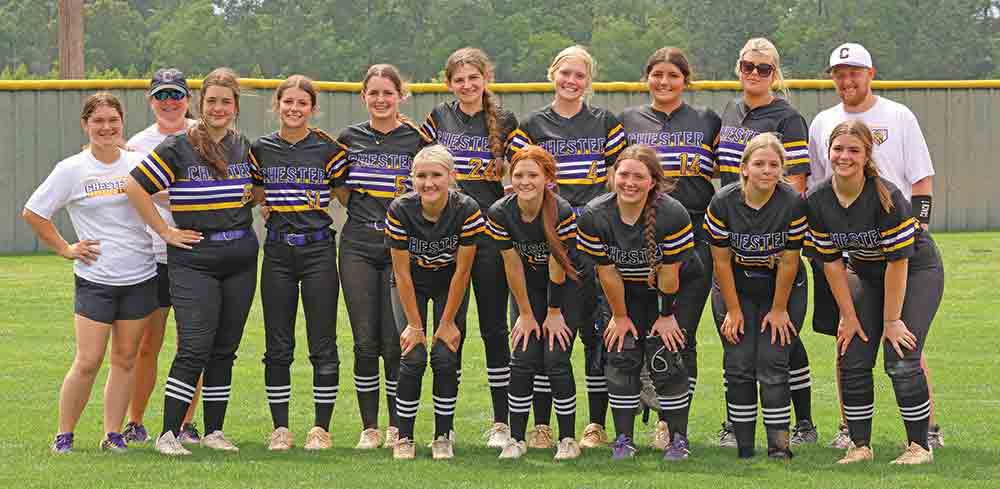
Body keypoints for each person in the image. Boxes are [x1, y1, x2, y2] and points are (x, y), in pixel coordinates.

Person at [807, 42, 943, 449]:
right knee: (849, 345)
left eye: (855, 71)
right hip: (858, 260)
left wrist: (914, 230)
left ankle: (924, 438)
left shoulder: (898, 116)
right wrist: (850, 311)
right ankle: (853, 436)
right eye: (839, 72)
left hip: (906, 256)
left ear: (870, 73)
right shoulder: (822, 124)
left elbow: (921, 179)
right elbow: (822, 189)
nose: (847, 79)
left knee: (902, 345)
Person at [126, 67, 259, 456]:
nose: (218, 108)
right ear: (201, 105)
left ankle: (214, 430)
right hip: (194, 259)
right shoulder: (178, 145)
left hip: (240, 257)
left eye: (226, 102)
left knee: (224, 348)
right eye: (212, 101)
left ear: (235, 107)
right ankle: (169, 433)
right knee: (194, 345)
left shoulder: (242, 145)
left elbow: (255, 191)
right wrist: (165, 231)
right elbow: (135, 186)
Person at [24, 92, 156, 454]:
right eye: (97, 121)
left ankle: (113, 434)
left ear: (122, 123)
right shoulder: (72, 169)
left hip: (140, 275)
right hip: (96, 279)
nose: (106, 127)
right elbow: (35, 212)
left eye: (112, 120)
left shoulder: (140, 162)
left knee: (126, 358)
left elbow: (168, 200)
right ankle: (64, 434)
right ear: (85, 125)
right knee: (88, 360)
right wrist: (67, 248)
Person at [508, 45, 625, 449]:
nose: (571, 81)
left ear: (588, 81)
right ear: (552, 74)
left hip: (591, 240)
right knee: (542, 336)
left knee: (596, 336)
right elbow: (522, 182)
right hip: (545, 238)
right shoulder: (531, 125)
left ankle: (595, 424)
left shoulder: (606, 122)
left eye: (579, 75)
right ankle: (541, 426)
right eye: (565, 73)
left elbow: (615, 181)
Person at [716, 38, 817, 447]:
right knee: (739, 344)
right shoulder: (729, 111)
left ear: (775, 73)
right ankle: (735, 426)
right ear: (738, 67)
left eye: (763, 68)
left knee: (783, 343)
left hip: (772, 243)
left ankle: (804, 423)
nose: (754, 74)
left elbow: (795, 183)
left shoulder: (787, 118)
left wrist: (775, 231)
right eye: (747, 66)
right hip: (734, 232)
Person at [618, 47, 720, 448]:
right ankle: (643, 407)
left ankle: (673, 422)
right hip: (640, 231)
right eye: (657, 74)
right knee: (645, 327)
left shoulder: (707, 119)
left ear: (685, 80)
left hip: (693, 226)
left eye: (672, 76)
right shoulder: (628, 120)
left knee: (683, 331)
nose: (664, 82)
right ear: (647, 77)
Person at [420, 48, 519, 447]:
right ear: (449, 83)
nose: (466, 85)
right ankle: (446, 426)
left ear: (486, 78)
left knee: (495, 329)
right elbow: (423, 173)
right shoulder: (437, 118)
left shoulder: (506, 121)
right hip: (448, 236)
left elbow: (524, 169)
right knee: (451, 327)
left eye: (473, 78)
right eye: (458, 80)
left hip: (491, 236)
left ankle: (502, 422)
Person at [576, 144, 698, 460]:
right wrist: (618, 316)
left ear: (652, 182)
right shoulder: (594, 215)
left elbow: (670, 274)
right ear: (613, 175)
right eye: (623, 174)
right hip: (623, 290)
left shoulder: (673, 214)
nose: (629, 182)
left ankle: (677, 439)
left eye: (638, 176)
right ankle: (623, 439)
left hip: (673, 288)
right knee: (622, 352)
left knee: (665, 353)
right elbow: (607, 272)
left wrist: (666, 315)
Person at [336, 64, 431, 450]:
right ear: (364, 97)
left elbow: (428, 188)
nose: (380, 100)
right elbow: (341, 191)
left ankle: (396, 425)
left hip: (400, 249)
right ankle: (369, 427)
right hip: (358, 245)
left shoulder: (416, 139)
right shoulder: (349, 138)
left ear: (400, 96)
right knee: (364, 341)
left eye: (387, 93)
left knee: (396, 340)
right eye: (373, 93)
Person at [250, 75, 345, 451]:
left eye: (301, 103)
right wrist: (264, 206)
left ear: (313, 108)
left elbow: (345, 195)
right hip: (277, 251)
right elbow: (257, 192)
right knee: (278, 344)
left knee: (323, 341)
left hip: (319, 250)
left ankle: (320, 428)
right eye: (287, 102)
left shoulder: (328, 149)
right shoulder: (261, 149)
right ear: (277, 105)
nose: (294, 109)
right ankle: (281, 428)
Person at [706, 132, 808, 459]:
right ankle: (744, 446)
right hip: (735, 286)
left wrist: (779, 310)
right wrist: (733, 311)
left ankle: (780, 446)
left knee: (773, 361)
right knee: (738, 363)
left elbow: (790, 260)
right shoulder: (723, 201)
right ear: (744, 168)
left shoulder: (792, 202)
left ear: (782, 170)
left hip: (782, 288)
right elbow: (720, 261)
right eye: (759, 163)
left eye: (774, 164)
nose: (766, 170)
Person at [385, 145, 484, 460]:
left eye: (436, 175)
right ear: (412, 178)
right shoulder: (400, 210)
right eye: (422, 176)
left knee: (444, 354)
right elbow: (401, 273)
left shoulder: (467, 209)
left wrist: (446, 323)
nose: (429, 183)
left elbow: (463, 271)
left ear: (452, 177)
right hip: (411, 283)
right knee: (412, 355)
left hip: (448, 283)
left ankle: (443, 435)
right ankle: (404, 436)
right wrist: (415, 325)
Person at [121, 68, 203, 446]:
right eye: (161, 95)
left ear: (188, 98)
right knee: (146, 344)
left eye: (176, 95)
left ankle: (187, 422)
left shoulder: (204, 134)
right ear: (151, 100)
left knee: (194, 343)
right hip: (151, 253)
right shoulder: (139, 143)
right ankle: (136, 421)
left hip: (197, 249)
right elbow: (138, 192)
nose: (169, 102)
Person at [486, 145, 581, 460]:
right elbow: (512, 265)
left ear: (548, 179)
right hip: (528, 290)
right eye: (519, 174)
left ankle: (568, 439)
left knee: (554, 358)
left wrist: (554, 313)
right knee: (524, 358)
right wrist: (525, 313)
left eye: (533, 175)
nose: (525, 181)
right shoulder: (500, 212)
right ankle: (516, 439)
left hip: (566, 290)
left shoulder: (562, 211)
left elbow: (557, 265)